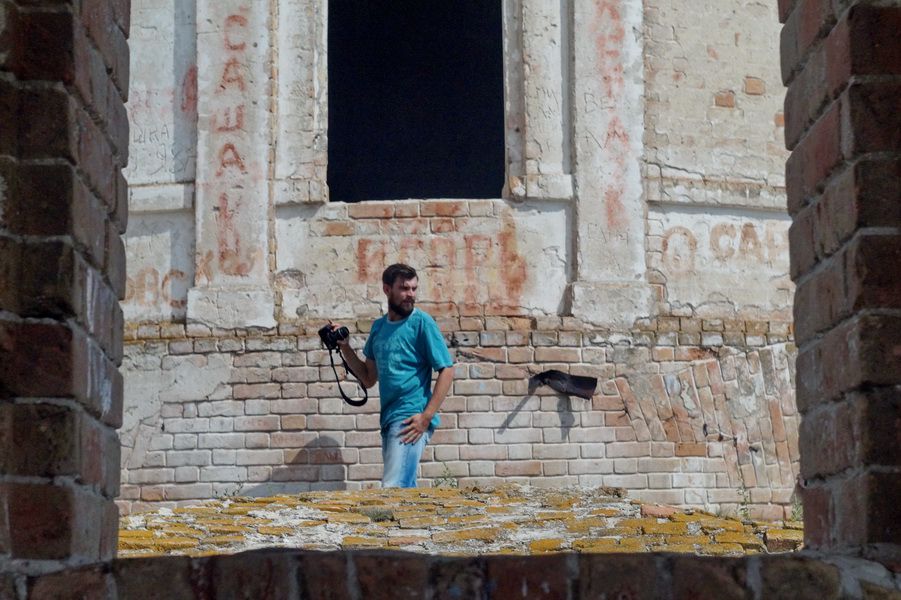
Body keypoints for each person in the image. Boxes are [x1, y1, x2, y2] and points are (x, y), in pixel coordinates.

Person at [334, 263, 455, 488]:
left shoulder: (422, 323)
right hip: (389, 420)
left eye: (414, 288)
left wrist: (426, 417)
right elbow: (368, 378)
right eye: (404, 288)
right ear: (387, 289)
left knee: (393, 487)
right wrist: (345, 347)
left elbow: (447, 369)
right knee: (404, 489)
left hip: (410, 418)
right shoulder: (379, 328)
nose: (411, 294)